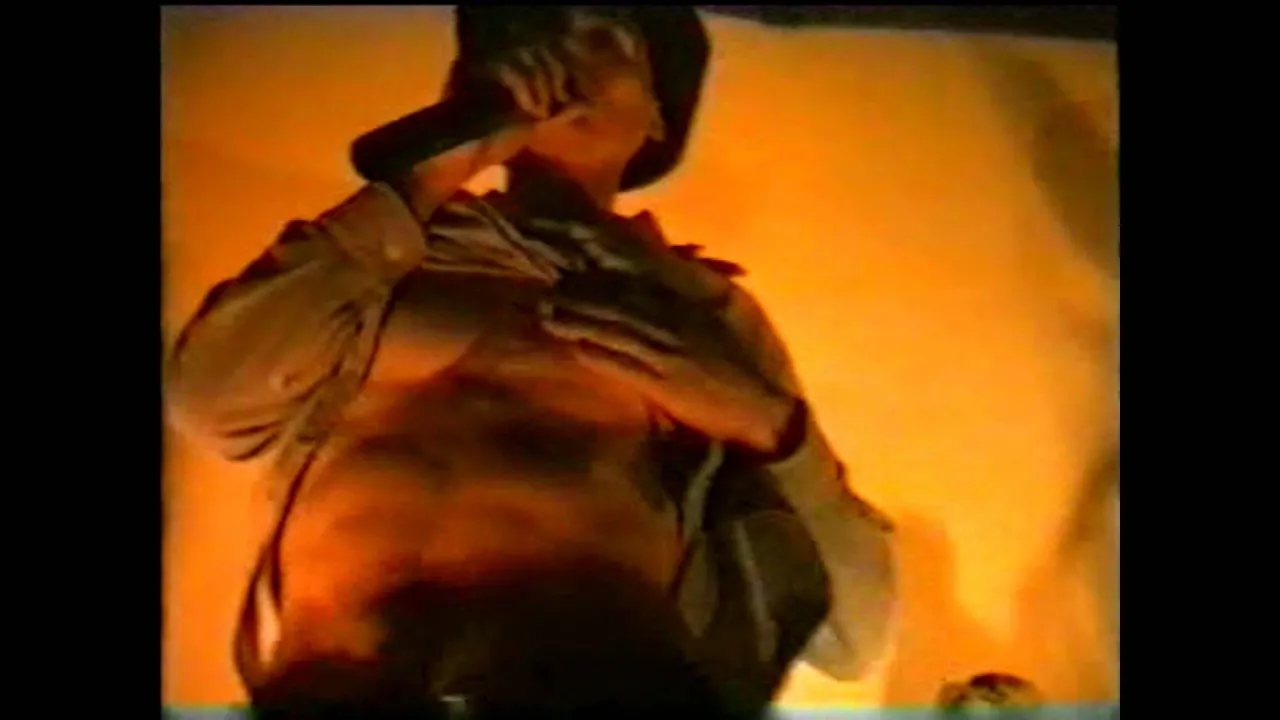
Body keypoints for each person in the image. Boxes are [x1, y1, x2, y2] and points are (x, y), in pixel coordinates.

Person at [165, 7, 897, 716]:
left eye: (604, 35)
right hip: (335, 689)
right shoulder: (382, 260)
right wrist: (417, 187)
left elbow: (852, 631)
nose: (563, 54)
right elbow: (211, 399)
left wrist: (765, 421)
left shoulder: (700, 312)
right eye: (531, 28)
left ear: (658, 117)